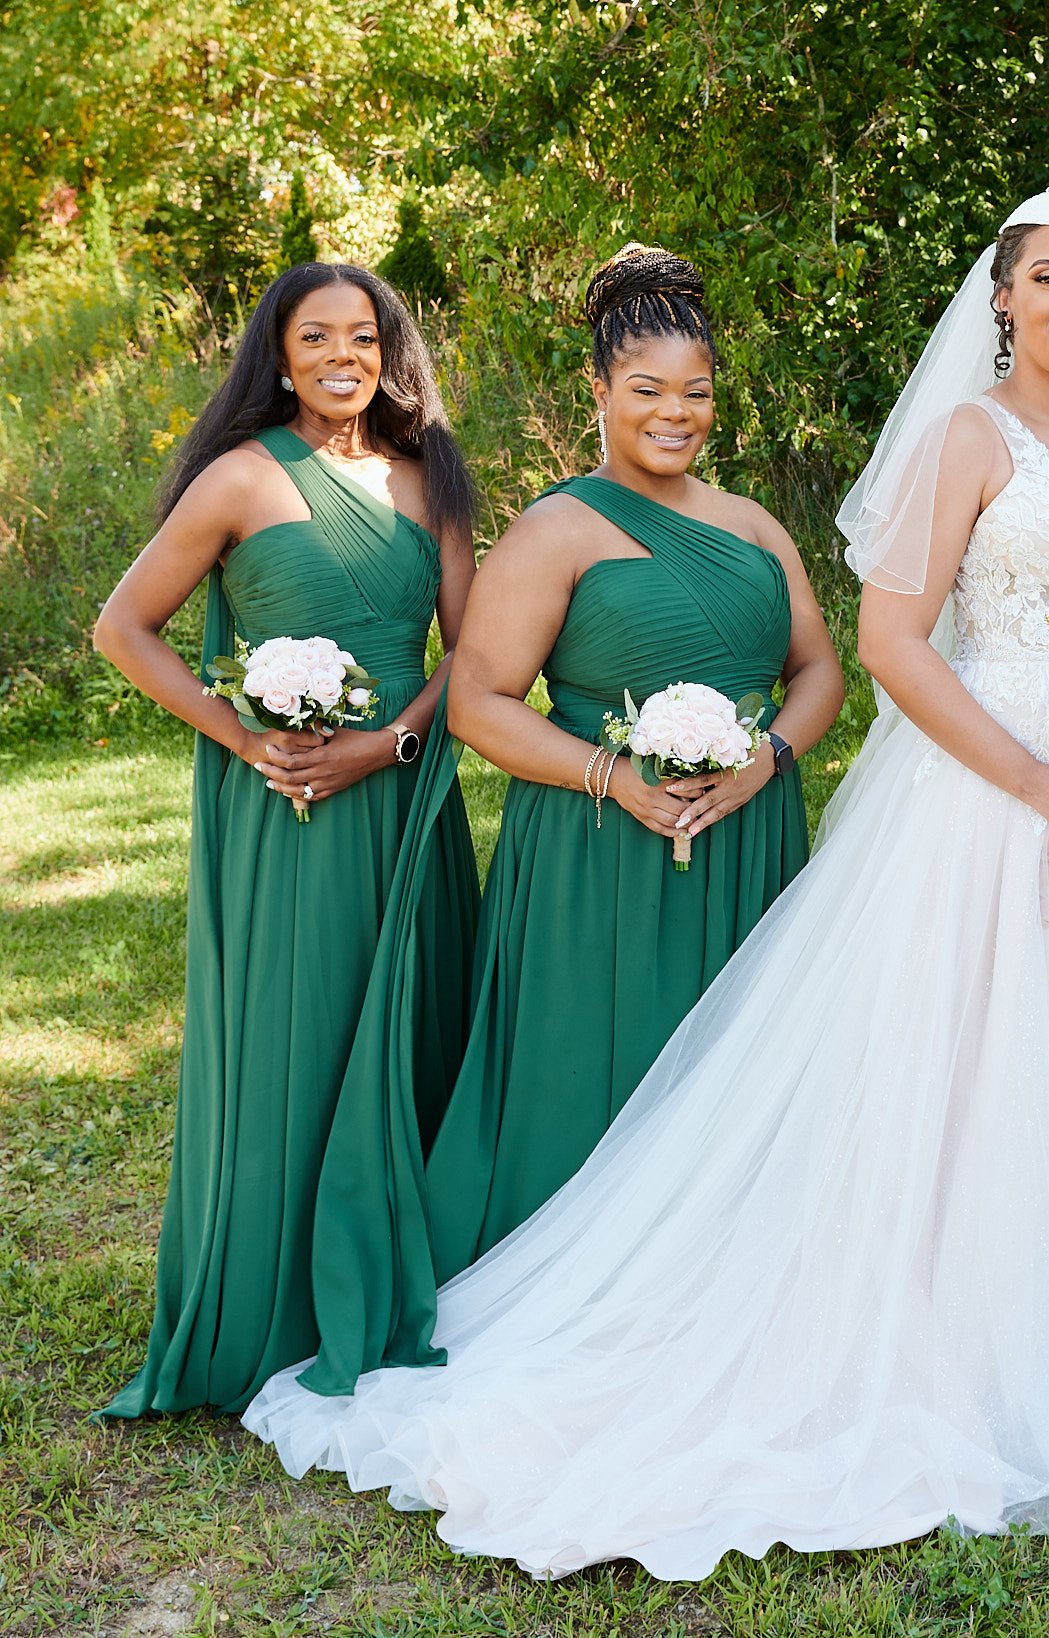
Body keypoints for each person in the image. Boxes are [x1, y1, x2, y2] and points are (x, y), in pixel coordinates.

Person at [241, 177, 1049, 1580]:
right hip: (989, 788)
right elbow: (895, 643)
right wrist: (1030, 773)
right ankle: (946, 1317)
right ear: (1002, 297)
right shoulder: (963, 439)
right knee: (960, 1052)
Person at [295, 245, 845, 1397]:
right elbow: (484, 704)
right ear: (598, 393)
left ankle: (737, 1285)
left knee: (739, 1068)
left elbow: (819, 673)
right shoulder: (557, 528)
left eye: (694, 392)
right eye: (646, 391)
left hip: (747, 841)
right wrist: (613, 777)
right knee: (597, 1073)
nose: (674, 414)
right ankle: (578, 1278)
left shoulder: (751, 526)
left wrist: (765, 762)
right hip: (598, 852)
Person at [92, 263, 479, 1418]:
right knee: (295, 1037)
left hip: (405, 798)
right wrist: (241, 737)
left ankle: (405, 1268)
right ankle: (272, 1300)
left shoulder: (432, 481)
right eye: (318, 338)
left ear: (389, 352)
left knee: (409, 1025)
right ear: (279, 353)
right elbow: (125, 629)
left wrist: (393, 745)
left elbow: (470, 653)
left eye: (363, 337)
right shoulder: (240, 479)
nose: (343, 357)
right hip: (287, 807)